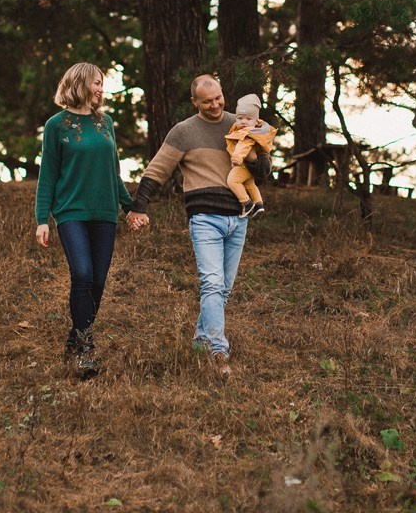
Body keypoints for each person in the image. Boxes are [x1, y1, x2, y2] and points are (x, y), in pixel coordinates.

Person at [126, 75, 272, 376]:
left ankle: (200, 343)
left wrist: (253, 147)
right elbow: (157, 170)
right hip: (205, 218)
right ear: (195, 102)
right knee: (212, 284)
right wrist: (139, 206)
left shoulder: (239, 122)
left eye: (218, 98)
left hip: (238, 217)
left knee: (223, 290)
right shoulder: (184, 132)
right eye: (207, 101)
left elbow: (265, 171)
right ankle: (219, 353)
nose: (215, 105)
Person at [35, 63, 135, 379]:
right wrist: (42, 218)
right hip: (71, 211)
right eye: (96, 83)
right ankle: (85, 348)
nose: (100, 89)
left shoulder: (105, 123)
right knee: (82, 274)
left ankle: (74, 337)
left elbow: (113, 171)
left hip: (104, 211)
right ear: (79, 83)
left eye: (101, 84)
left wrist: (130, 207)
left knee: (99, 281)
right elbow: (48, 173)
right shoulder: (56, 125)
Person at [225, 93, 276, 218]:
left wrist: (236, 158)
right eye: (240, 118)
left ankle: (246, 203)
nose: (243, 122)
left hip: (241, 164)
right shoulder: (250, 130)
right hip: (248, 167)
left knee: (232, 181)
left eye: (248, 119)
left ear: (256, 120)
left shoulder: (248, 133)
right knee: (249, 184)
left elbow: (244, 146)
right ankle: (259, 204)